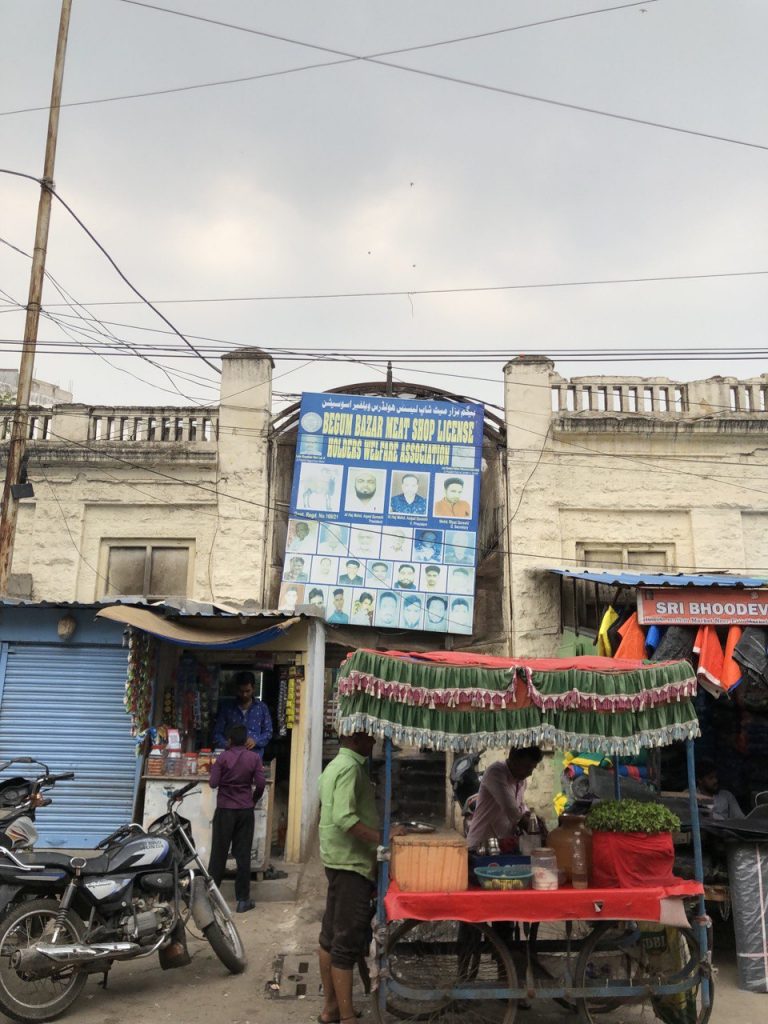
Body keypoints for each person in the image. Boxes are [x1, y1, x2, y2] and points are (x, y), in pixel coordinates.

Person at [318, 732, 406, 1024]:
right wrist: (383, 838)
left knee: (330, 937)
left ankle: (331, 1008)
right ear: (355, 738)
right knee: (345, 942)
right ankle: (346, 1017)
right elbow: (345, 818)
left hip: (337, 860)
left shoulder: (335, 765)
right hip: (351, 865)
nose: (374, 742)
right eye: (369, 737)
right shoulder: (350, 769)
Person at [208, 724, 265, 914]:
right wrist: (253, 799)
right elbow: (261, 784)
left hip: (225, 810)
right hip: (245, 811)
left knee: (218, 855)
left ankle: (211, 898)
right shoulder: (254, 758)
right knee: (243, 855)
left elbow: (213, 783)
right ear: (245, 740)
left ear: (230, 741)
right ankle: (242, 900)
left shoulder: (222, 758)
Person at [466, 746, 545, 852]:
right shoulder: (496, 772)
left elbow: (521, 808)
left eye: (532, 768)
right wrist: (537, 833)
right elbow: (512, 810)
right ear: (513, 758)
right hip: (480, 847)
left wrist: (532, 818)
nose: (530, 773)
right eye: (527, 767)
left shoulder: (521, 781)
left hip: (502, 847)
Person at [213, 671, 273, 756]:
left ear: (254, 689)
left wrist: (255, 741)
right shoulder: (227, 708)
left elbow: (268, 732)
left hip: (254, 757)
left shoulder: (262, 708)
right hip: (231, 759)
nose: (244, 694)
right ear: (236, 689)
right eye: (241, 691)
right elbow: (217, 733)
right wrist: (227, 744)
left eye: (247, 691)